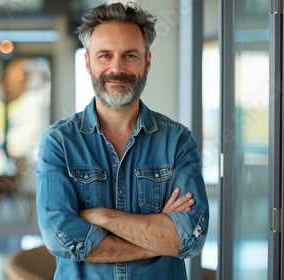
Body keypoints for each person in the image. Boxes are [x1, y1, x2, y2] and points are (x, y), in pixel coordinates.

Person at [35, 2, 209, 279]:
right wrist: (159, 237)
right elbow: (61, 238)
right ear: (88, 62)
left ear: (147, 61)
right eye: (105, 55)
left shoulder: (177, 140)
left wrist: (101, 216)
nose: (117, 68)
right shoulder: (59, 142)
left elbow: (190, 238)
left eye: (130, 55)